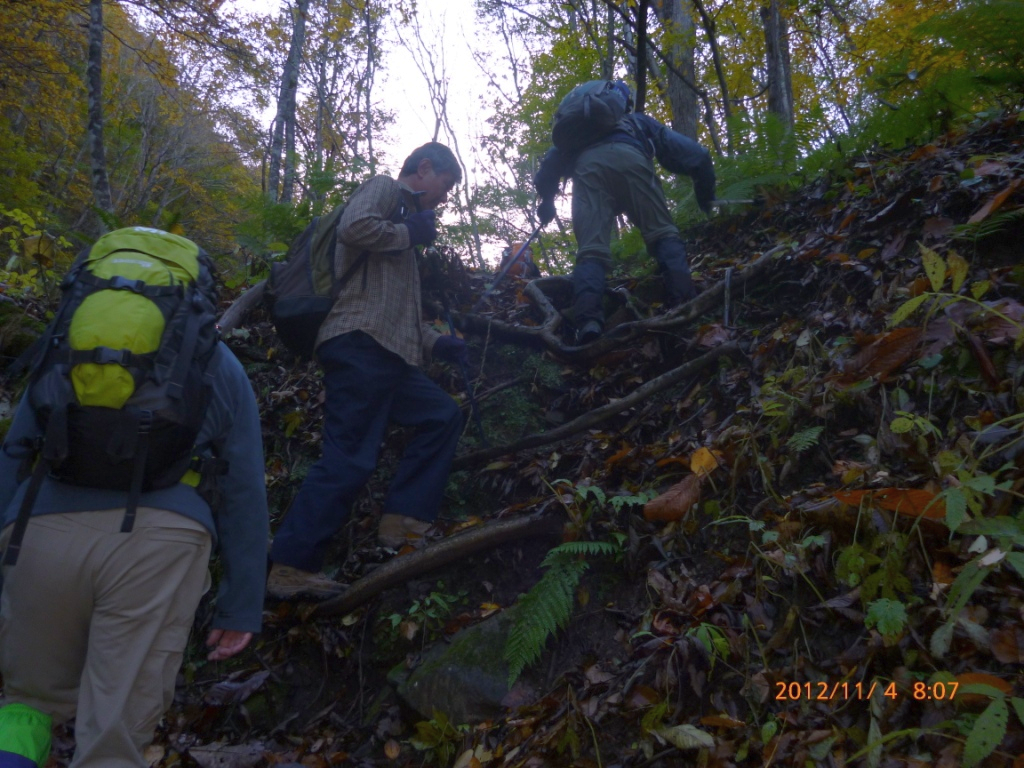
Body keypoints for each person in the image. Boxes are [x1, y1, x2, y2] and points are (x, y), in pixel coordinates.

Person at [0, 290, 269, 764]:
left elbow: (16, 452)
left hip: (40, 533)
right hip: (160, 545)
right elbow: (243, 486)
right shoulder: (217, 360)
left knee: (24, 707)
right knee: (114, 735)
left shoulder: (69, 346)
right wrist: (241, 605)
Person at [266, 141, 467, 600]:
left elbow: (397, 309)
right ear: (424, 168)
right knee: (350, 456)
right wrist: (408, 234)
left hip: (389, 354)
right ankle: (291, 567)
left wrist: (439, 343)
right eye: (445, 184)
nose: (445, 196)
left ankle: (402, 522)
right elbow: (355, 227)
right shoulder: (383, 190)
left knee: (441, 415)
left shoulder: (404, 229)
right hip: (357, 343)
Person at [533, 80, 716, 344]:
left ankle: (589, 324)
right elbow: (695, 156)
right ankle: (684, 308)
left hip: (588, 170)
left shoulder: (578, 135)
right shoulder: (638, 122)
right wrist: (707, 199)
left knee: (591, 251)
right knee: (662, 233)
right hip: (632, 159)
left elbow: (547, 171)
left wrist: (547, 202)